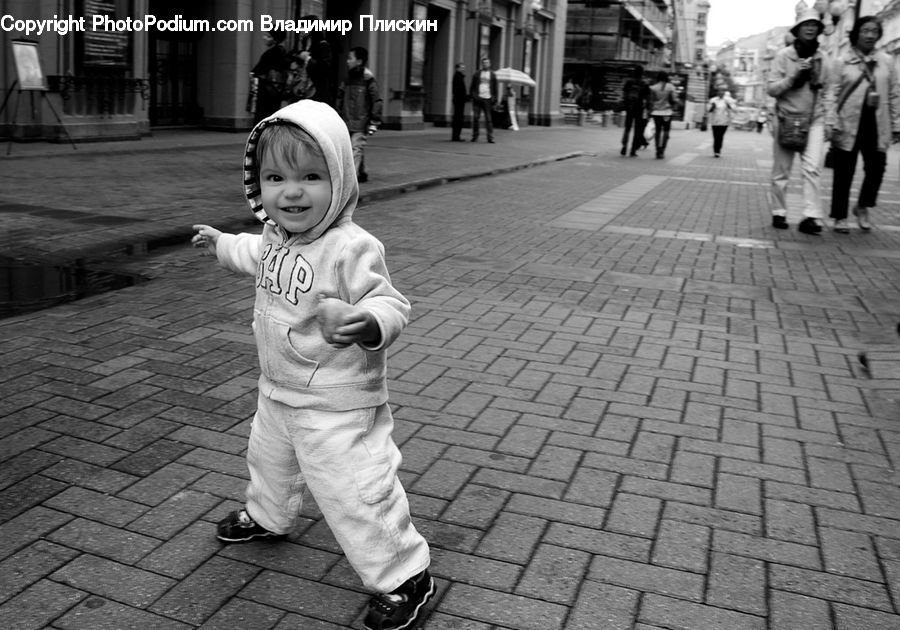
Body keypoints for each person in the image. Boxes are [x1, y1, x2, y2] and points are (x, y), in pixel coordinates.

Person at [190, 100, 433, 630]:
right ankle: (268, 516)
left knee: (354, 488)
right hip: (278, 389)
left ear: (340, 179)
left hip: (338, 402)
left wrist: (364, 322)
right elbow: (252, 253)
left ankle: (404, 572)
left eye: (311, 176)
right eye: (275, 177)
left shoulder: (351, 247)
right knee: (268, 459)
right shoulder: (277, 237)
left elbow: (391, 302)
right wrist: (220, 243)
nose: (291, 191)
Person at [827, 15, 900, 233]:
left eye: (874, 31)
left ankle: (863, 205)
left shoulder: (886, 61)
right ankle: (840, 216)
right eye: (865, 30)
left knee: (877, 169)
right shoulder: (842, 61)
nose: (870, 35)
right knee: (843, 171)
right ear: (856, 33)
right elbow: (831, 93)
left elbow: (895, 93)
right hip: (848, 122)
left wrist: (897, 123)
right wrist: (831, 121)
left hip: (877, 123)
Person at [767, 9, 833, 234]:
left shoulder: (823, 58)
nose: (811, 28)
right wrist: (793, 77)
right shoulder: (783, 56)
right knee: (781, 170)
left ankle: (811, 216)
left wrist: (830, 120)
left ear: (819, 30)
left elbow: (829, 91)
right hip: (787, 117)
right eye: (806, 24)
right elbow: (772, 89)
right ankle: (779, 212)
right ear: (797, 29)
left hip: (814, 119)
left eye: (815, 25)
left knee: (813, 168)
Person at [337, 46, 382, 183]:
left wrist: (374, 121)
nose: (347, 61)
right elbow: (340, 97)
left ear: (359, 61)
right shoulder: (347, 79)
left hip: (361, 122)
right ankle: (361, 173)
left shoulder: (368, 79)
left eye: (350, 58)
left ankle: (350, 180)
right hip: (346, 120)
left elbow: (376, 101)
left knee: (355, 148)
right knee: (355, 148)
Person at [251, 30, 289, 124]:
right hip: (272, 89)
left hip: (267, 90)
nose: (265, 38)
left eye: (269, 36)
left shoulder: (275, 52)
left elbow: (261, 68)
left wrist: (254, 73)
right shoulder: (279, 51)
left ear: (275, 39)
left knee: (264, 116)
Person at [621, 65, 650, 156]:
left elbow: (624, 94)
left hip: (630, 107)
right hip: (639, 108)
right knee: (637, 130)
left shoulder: (629, 82)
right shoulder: (644, 84)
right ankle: (633, 150)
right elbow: (647, 98)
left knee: (627, 128)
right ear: (642, 73)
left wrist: (625, 104)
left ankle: (624, 147)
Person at [648, 71, 678, 159]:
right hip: (667, 112)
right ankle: (662, 150)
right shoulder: (671, 87)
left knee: (657, 131)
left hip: (656, 112)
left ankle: (657, 150)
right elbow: (674, 99)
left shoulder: (653, 87)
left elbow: (651, 100)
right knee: (666, 131)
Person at [469, 56, 498, 143]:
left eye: (487, 63)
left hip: (488, 98)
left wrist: (494, 98)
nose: (485, 64)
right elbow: (472, 86)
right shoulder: (477, 74)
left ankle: (490, 137)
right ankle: (475, 136)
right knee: (476, 118)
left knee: (488, 119)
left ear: (490, 64)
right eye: (484, 63)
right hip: (478, 98)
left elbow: (495, 88)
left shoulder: (492, 74)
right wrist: (474, 96)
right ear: (482, 64)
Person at [708, 85, 736, 157]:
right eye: (719, 92)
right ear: (717, 93)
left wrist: (728, 105)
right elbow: (708, 110)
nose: (720, 93)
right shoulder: (713, 100)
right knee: (715, 136)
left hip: (724, 121)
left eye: (722, 92)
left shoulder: (728, 100)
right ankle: (716, 151)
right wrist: (712, 107)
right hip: (715, 121)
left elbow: (733, 109)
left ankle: (718, 151)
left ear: (724, 93)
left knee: (720, 136)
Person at [451, 62, 468, 141]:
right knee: (458, 118)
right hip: (459, 101)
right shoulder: (458, 77)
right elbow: (459, 90)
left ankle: (456, 136)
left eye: (463, 68)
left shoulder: (459, 76)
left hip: (459, 100)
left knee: (458, 118)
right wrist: (465, 98)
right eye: (462, 68)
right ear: (457, 68)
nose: (463, 69)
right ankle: (456, 136)